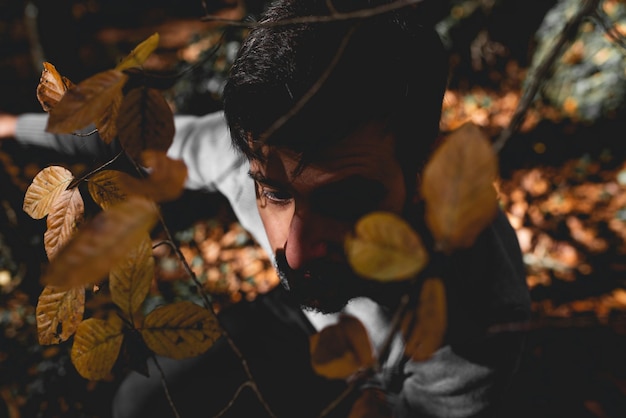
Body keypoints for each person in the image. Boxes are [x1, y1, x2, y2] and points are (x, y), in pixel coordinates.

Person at [0, 0, 531, 416]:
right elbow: (123, 141)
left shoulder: (473, 317)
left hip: (391, 374)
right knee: (141, 402)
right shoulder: (255, 152)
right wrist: (8, 128)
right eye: (274, 193)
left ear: (423, 176)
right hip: (308, 319)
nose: (294, 252)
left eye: (345, 199)